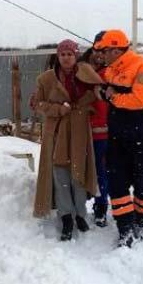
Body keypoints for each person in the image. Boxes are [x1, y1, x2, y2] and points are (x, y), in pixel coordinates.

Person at [94, 29, 143, 248]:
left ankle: (140, 222)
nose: (100, 55)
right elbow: (106, 90)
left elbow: (139, 101)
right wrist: (104, 92)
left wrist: (113, 96)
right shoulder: (111, 71)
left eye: (103, 51)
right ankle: (124, 227)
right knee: (117, 185)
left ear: (115, 49)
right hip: (118, 139)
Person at [33, 39, 103, 241]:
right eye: (62, 54)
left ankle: (80, 214)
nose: (66, 58)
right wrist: (58, 109)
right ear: (58, 56)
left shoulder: (86, 74)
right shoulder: (46, 79)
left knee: (78, 174)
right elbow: (37, 104)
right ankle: (66, 217)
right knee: (60, 174)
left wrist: (84, 105)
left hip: (79, 130)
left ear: (76, 55)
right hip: (56, 131)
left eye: (69, 54)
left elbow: (98, 93)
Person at [78, 47, 110, 228]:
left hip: (103, 133)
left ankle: (101, 208)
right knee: (80, 173)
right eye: (96, 51)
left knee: (102, 173)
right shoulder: (80, 73)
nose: (99, 55)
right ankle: (78, 208)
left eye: (103, 52)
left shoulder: (110, 73)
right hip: (81, 132)